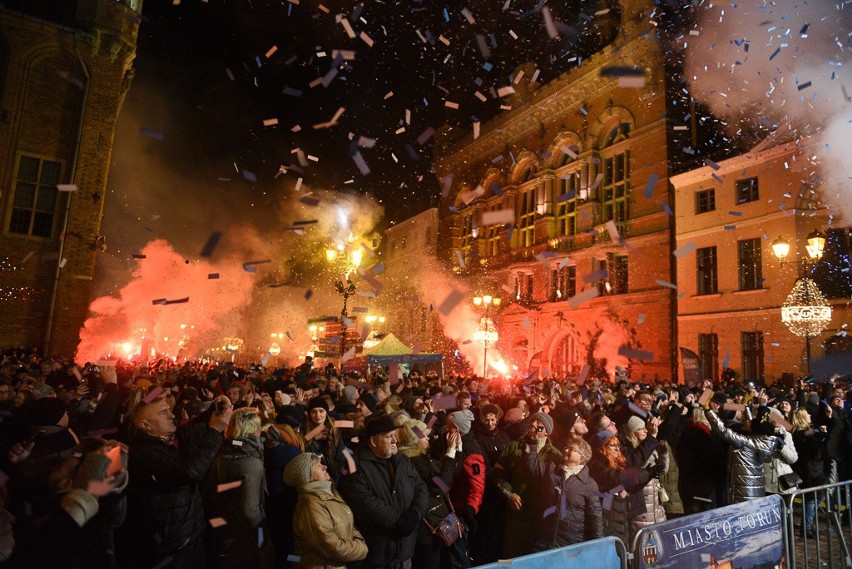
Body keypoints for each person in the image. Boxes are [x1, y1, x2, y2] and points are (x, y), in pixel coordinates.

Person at [122, 394, 232, 569]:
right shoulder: (145, 454)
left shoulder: (163, 441)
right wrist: (215, 431)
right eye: (163, 412)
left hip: (187, 537)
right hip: (171, 548)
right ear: (145, 425)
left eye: (170, 410)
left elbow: (190, 429)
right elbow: (189, 472)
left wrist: (215, 408)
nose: (172, 415)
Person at [338, 413, 429, 569]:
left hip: (405, 551)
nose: (395, 440)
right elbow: (363, 502)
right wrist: (399, 521)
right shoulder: (355, 465)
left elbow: (421, 487)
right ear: (373, 441)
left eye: (394, 435)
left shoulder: (402, 460)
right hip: (377, 552)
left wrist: (416, 512)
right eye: (389, 437)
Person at [203, 407, 274, 568]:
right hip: (244, 540)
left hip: (222, 535)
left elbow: (208, 498)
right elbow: (251, 509)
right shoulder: (251, 463)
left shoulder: (221, 456)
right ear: (254, 429)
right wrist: (263, 540)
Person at [283, 452, 368, 568]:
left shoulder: (329, 492)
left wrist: (358, 540)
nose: (325, 467)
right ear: (308, 476)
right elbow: (333, 548)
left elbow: (350, 525)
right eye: (318, 466)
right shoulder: (311, 505)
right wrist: (361, 548)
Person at [493, 412, 559, 558]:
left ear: (547, 432)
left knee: (533, 558)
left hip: (539, 516)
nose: (534, 426)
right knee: (510, 556)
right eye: (532, 423)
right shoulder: (514, 446)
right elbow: (498, 475)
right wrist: (509, 494)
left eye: (539, 426)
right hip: (517, 514)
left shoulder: (554, 455)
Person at [530, 435, 603, 550]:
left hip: (569, 544)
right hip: (543, 541)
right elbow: (532, 467)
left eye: (571, 449)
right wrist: (532, 444)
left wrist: (599, 547)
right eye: (566, 447)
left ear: (581, 457)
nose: (566, 450)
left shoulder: (589, 484)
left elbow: (595, 517)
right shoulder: (552, 469)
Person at [704, 402, 783, 504]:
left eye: (748, 421)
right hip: (755, 490)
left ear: (753, 427)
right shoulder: (765, 439)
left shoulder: (746, 442)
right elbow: (756, 424)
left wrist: (707, 409)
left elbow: (722, 430)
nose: (745, 421)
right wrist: (752, 407)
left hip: (742, 492)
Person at [791, 407, 829, 538]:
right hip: (810, 470)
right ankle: (806, 527)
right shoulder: (804, 432)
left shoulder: (801, 432)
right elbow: (815, 447)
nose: (810, 416)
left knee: (818, 496)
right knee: (812, 499)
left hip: (811, 469)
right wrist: (823, 435)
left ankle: (807, 524)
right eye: (807, 414)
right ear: (802, 418)